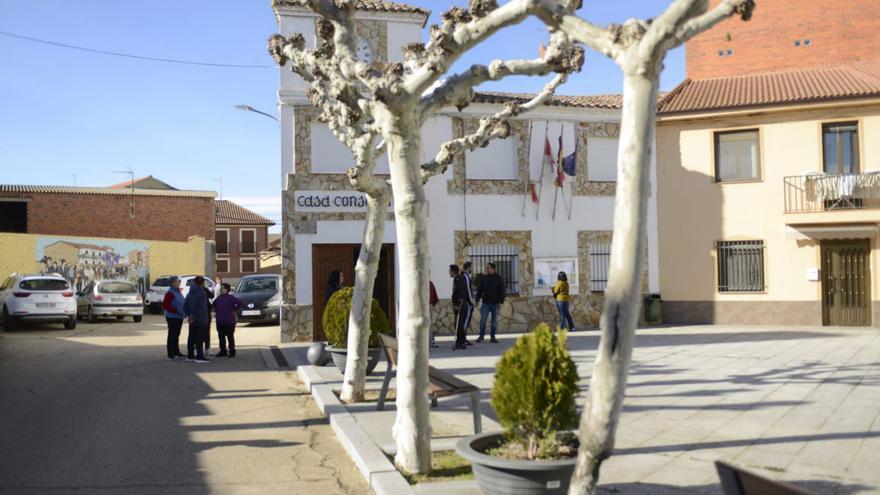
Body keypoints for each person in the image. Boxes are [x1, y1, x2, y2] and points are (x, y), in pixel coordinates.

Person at [184, 276, 211, 363]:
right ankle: (199, 356)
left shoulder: (189, 293)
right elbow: (200, 307)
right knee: (200, 338)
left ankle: (190, 355)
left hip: (192, 320)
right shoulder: (202, 293)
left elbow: (185, 306)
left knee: (191, 337)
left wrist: (190, 315)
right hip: (201, 318)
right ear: (202, 283)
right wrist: (194, 316)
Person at [475, 262, 504, 343]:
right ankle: (481, 336)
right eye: (486, 268)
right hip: (486, 303)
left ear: (493, 269)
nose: (486, 269)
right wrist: (477, 300)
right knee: (483, 321)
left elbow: (502, 290)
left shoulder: (499, 278)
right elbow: (480, 290)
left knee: (494, 322)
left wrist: (501, 300)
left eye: (488, 268)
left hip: (495, 303)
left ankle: (493, 337)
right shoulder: (484, 278)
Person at [213, 283, 242, 357]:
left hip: (229, 321)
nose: (221, 289)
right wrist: (216, 312)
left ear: (227, 289)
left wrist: (234, 309)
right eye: (220, 288)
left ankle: (232, 351)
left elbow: (239, 303)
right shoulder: (218, 298)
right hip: (220, 321)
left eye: (222, 288)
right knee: (221, 337)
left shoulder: (231, 298)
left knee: (230, 336)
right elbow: (214, 305)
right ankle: (223, 351)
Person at [162, 276, 186, 359]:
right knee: (172, 334)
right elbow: (165, 305)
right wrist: (175, 310)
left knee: (177, 334)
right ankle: (170, 353)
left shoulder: (178, 291)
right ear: (173, 283)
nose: (179, 282)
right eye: (177, 281)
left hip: (179, 316)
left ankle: (176, 351)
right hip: (172, 317)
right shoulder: (170, 293)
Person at [453, 262, 475, 350]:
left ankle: (462, 339)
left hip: (463, 302)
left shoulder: (461, 277)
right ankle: (462, 339)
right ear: (469, 268)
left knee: (462, 322)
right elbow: (468, 290)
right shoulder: (465, 276)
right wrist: (470, 302)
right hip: (465, 303)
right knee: (464, 322)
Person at [429, 279, 439, 349]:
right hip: (429, 305)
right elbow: (435, 297)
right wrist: (432, 305)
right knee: (429, 325)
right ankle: (431, 342)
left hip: (420, 306)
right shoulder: (430, 283)